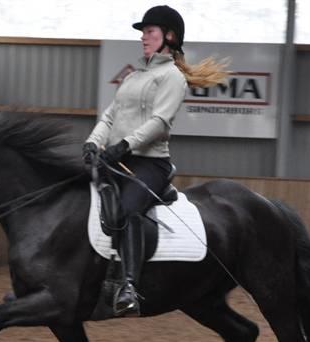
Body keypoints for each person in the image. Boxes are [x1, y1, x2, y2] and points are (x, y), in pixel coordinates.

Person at [83, 5, 227, 317]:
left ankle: (129, 286)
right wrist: (93, 142)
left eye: (150, 32)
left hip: (150, 164)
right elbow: (110, 115)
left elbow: (159, 122)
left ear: (169, 37)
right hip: (116, 158)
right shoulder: (134, 77)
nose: (143, 38)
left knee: (128, 208)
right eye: (143, 33)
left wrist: (123, 145)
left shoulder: (172, 77)